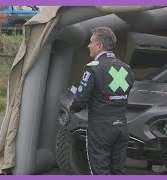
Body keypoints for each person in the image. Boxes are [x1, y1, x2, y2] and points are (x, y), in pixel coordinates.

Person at [70, 27, 134, 175]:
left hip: (100, 129)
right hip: (121, 127)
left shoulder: (93, 68)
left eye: (91, 42)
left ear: (99, 46)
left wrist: (72, 107)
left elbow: (80, 99)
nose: (88, 45)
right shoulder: (126, 68)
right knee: (119, 171)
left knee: (100, 171)